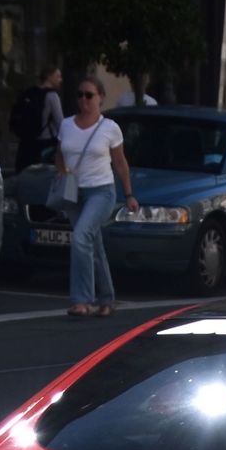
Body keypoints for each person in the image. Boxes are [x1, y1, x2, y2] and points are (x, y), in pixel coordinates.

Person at [54, 77, 137, 320]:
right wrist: (62, 173)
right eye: (80, 95)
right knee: (94, 245)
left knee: (80, 236)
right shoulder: (67, 125)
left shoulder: (109, 127)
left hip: (101, 192)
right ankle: (108, 298)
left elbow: (120, 163)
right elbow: (59, 154)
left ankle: (81, 300)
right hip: (73, 193)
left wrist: (129, 194)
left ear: (100, 97)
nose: (83, 100)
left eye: (89, 95)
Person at [6, 64, 64, 167]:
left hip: (26, 144)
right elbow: (60, 123)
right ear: (49, 77)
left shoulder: (29, 92)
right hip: (45, 144)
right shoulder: (52, 96)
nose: (60, 79)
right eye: (58, 76)